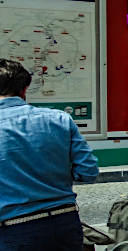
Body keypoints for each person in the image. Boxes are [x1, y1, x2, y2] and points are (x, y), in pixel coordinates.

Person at [0, 58, 99, 250]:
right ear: (24, 90)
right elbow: (88, 171)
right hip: (64, 224)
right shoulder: (59, 119)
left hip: (11, 231)